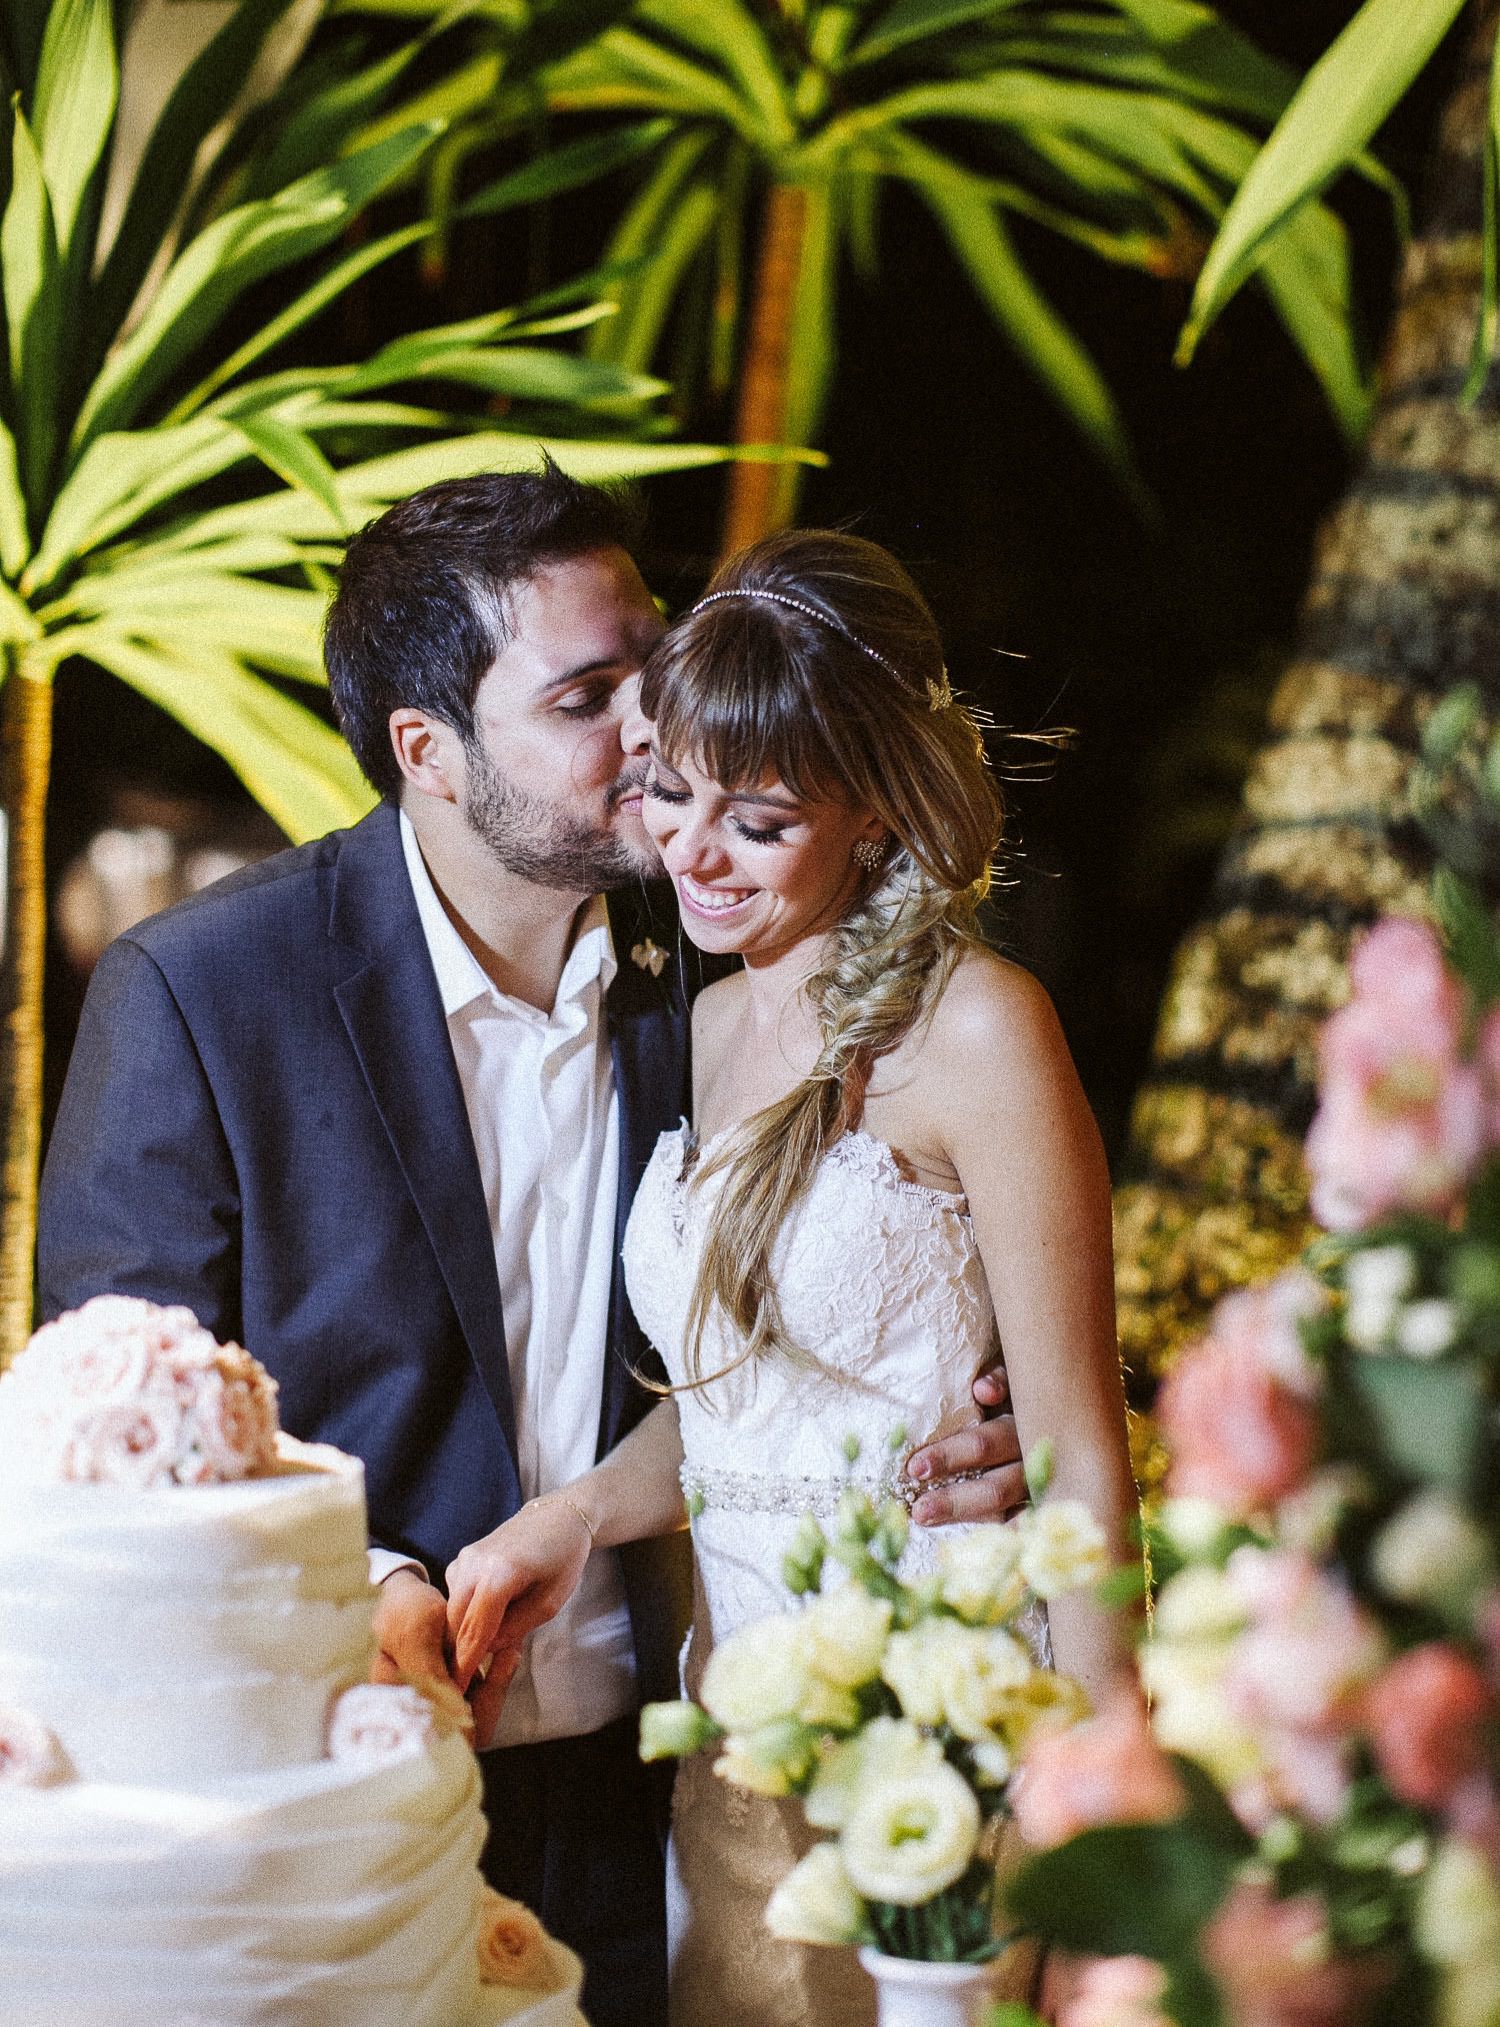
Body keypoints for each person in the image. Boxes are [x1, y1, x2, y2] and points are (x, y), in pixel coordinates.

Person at [36, 468, 1029, 2027]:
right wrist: (369, 1582)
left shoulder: (717, 966)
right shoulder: (204, 993)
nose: (655, 729)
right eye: (590, 695)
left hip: (689, 1769)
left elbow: (904, 1266)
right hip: (356, 1788)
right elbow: (116, 1415)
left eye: (653, 661)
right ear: (427, 751)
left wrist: (997, 1406)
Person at [441, 529, 1139, 2027]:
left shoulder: (980, 1032)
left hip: (944, 1734)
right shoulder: (701, 1025)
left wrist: (1106, 1812)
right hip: (738, 1734)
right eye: (674, 797)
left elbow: (1080, 1453)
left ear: (877, 818)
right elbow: (738, 1418)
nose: (693, 855)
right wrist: (567, 1518)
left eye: (757, 822)